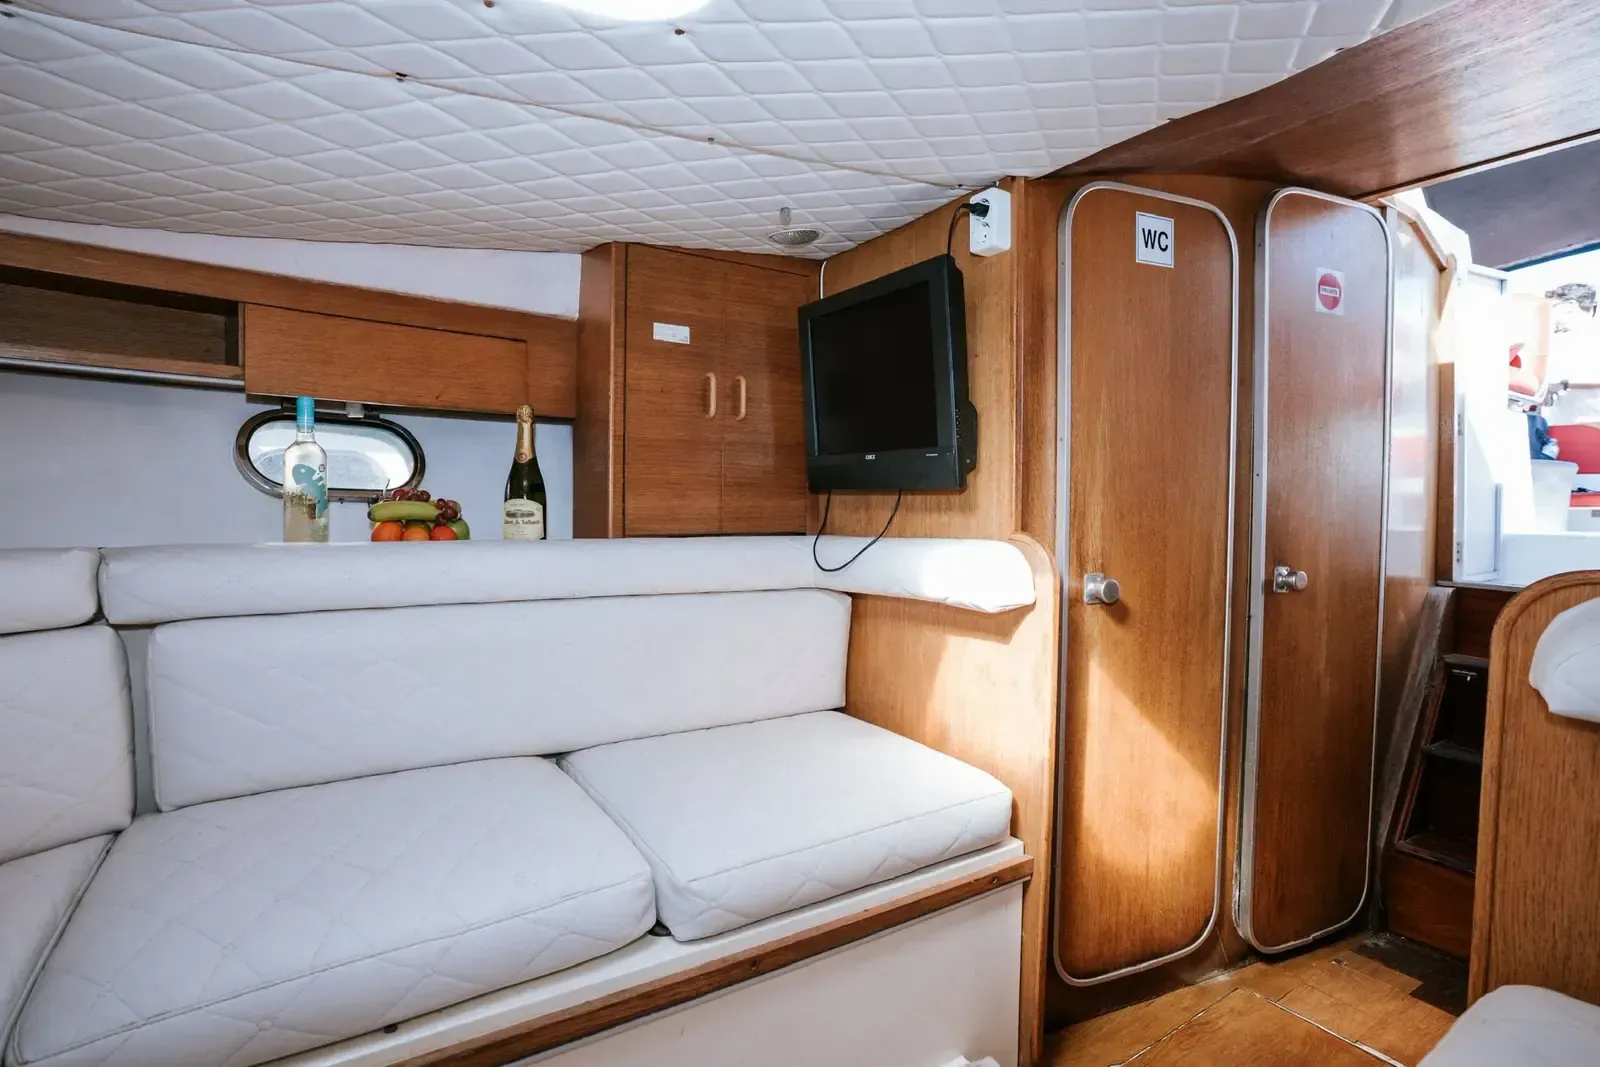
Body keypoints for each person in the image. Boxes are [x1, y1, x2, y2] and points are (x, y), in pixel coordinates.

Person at [1541, 282, 1600, 427]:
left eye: (1554, 308)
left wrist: (1562, 385)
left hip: (1592, 427)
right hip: (1559, 429)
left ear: (1571, 307)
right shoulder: (1555, 341)